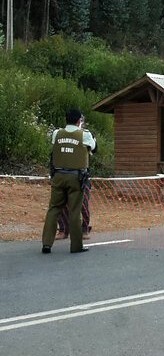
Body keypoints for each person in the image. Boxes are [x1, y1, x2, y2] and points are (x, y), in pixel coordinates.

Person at [41, 109, 96, 254]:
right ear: (79, 121)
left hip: (58, 176)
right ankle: (76, 245)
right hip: (76, 178)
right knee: (75, 210)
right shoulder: (85, 135)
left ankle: (46, 243)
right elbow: (93, 148)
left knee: (54, 209)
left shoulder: (56, 133)